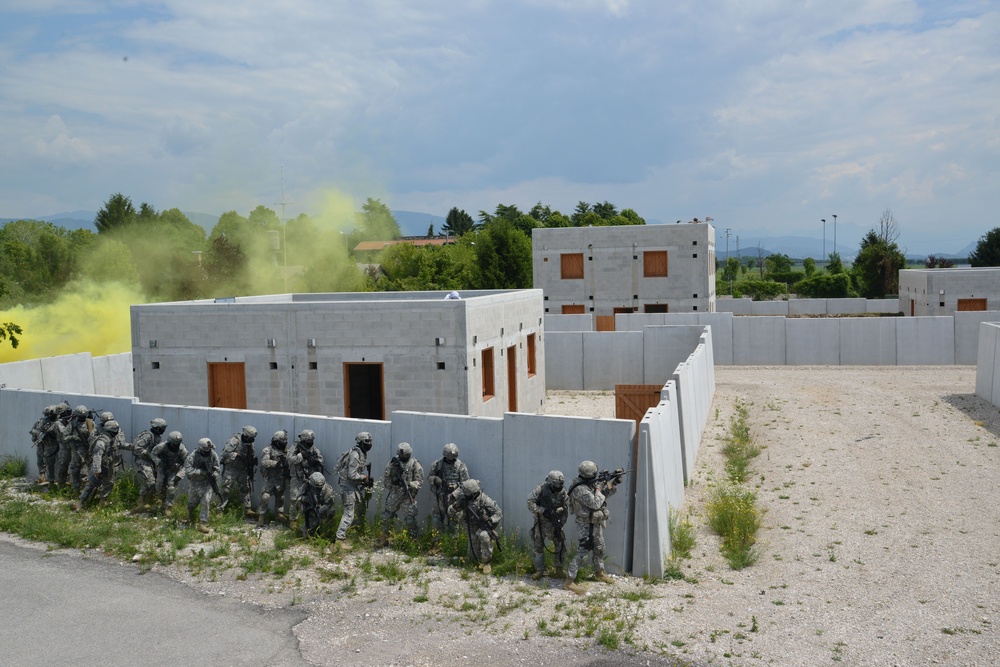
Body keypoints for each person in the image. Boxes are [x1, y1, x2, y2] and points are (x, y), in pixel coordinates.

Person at [564, 461, 620, 593]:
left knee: (599, 548)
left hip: (595, 522)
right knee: (583, 552)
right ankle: (569, 582)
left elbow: (604, 495)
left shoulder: (589, 483)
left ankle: (599, 573)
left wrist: (613, 483)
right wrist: (599, 488)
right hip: (585, 524)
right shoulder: (579, 488)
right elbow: (595, 503)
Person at [447, 479, 502, 574]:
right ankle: (475, 561)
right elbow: (449, 512)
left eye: (466, 494)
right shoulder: (465, 501)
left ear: (472, 493)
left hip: (484, 528)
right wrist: (455, 507)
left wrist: (490, 519)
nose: (465, 495)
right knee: (472, 558)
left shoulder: (485, 500)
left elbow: (498, 513)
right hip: (471, 529)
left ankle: (486, 563)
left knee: (484, 536)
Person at [378, 442, 423, 545]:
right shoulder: (393, 463)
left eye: (405, 455)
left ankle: (412, 540)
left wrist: (409, 484)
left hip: (407, 495)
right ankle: (383, 537)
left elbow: (419, 482)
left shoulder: (415, 464)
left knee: (410, 519)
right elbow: (387, 479)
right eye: (401, 455)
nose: (403, 457)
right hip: (394, 494)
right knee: (386, 516)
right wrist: (394, 484)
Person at [527, 470, 569, 580]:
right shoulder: (540, 489)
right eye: (556, 485)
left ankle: (559, 569)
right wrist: (542, 511)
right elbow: (530, 502)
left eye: (560, 484)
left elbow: (566, 507)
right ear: (550, 482)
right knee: (538, 546)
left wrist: (561, 523)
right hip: (541, 523)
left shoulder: (563, 491)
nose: (559, 487)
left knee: (560, 545)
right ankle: (539, 570)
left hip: (555, 523)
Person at [334, 431, 373, 547]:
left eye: (370, 441)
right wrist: (363, 477)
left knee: (360, 508)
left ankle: (356, 532)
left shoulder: (361, 453)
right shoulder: (355, 455)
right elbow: (351, 475)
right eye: (366, 441)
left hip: (353, 486)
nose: (369, 444)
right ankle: (339, 540)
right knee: (349, 513)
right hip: (348, 487)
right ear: (360, 442)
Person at [121, 417, 167, 513]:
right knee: (150, 482)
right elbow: (137, 448)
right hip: (143, 461)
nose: (163, 430)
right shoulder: (148, 436)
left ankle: (150, 500)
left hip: (152, 462)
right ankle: (141, 500)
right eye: (162, 428)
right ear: (157, 427)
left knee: (157, 482)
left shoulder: (157, 437)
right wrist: (148, 454)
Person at [76, 419, 123, 510]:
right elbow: (97, 456)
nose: (116, 432)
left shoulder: (112, 439)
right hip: (99, 467)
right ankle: (80, 503)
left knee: (109, 483)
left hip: (108, 466)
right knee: (91, 485)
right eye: (115, 430)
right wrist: (97, 470)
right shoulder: (101, 442)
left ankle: (103, 501)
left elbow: (119, 446)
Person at [428, 443, 469, 531]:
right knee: (437, 520)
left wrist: (454, 494)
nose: (452, 459)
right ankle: (438, 538)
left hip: (454, 499)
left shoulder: (461, 466)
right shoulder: (437, 464)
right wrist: (435, 479)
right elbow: (429, 477)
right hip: (439, 497)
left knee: (454, 522)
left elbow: (465, 485)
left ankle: (453, 540)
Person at [183, 438, 221, 533]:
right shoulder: (193, 456)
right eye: (205, 449)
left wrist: (213, 475)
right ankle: (188, 516)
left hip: (207, 483)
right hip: (195, 483)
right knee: (192, 503)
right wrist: (201, 472)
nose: (207, 451)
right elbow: (188, 470)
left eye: (209, 449)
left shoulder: (213, 454)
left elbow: (217, 469)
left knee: (206, 501)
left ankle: (202, 523)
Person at [220, 425, 258, 517]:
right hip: (231, 468)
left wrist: (251, 461)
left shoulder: (250, 443)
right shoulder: (235, 440)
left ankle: (247, 509)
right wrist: (238, 454)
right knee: (225, 490)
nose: (252, 440)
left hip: (242, 469)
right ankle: (219, 509)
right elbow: (224, 453)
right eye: (250, 438)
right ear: (245, 435)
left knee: (245, 489)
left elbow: (251, 454)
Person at [288, 429, 323, 522]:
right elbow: (290, 459)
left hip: (309, 478)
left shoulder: (313, 449)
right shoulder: (295, 448)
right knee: (294, 499)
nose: (311, 442)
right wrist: (301, 456)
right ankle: (293, 520)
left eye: (312, 440)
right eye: (309, 440)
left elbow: (320, 459)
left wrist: (315, 461)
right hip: (297, 477)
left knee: (310, 499)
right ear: (303, 440)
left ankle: (307, 519)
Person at [258, 430, 291, 526]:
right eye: (282, 440)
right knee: (265, 497)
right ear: (276, 441)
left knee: (281, 497)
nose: (284, 442)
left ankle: (279, 514)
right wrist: (276, 463)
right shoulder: (268, 449)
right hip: (270, 478)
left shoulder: (286, 451)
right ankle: (261, 516)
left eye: (285, 440)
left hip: (280, 478)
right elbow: (264, 462)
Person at [150, 431, 187, 513]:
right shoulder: (161, 446)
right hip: (162, 468)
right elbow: (153, 454)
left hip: (173, 471)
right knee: (159, 485)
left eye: (178, 443)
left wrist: (179, 475)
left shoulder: (182, 450)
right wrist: (158, 461)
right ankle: (160, 501)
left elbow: (187, 464)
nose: (176, 445)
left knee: (171, 487)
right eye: (174, 443)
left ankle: (169, 507)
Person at [66, 405, 94, 494]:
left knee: (86, 471)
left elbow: (94, 436)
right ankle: (76, 489)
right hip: (76, 451)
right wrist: (74, 437)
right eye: (80, 416)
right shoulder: (72, 424)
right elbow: (64, 437)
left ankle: (86, 491)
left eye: (84, 416)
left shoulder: (90, 423)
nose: (82, 418)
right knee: (75, 470)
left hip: (87, 451)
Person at [299, 472, 336, 538]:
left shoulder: (328, 489)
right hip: (309, 509)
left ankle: (325, 528)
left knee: (331, 511)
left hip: (321, 508)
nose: (317, 489)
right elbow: (299, 497)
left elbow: (329, 504)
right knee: (306, 534)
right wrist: (305, 499)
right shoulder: (306, 486)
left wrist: (321, 510)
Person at [31, 406, 61, 486]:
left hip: (55, 444)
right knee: (42, 460)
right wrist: (39, 434)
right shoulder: (42, 421)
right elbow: (33, 430)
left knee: (58, 462)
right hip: (44, 443)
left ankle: (58, 479)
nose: (48, 416)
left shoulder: (58, 421)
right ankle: (43, 476)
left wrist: (51, 433)